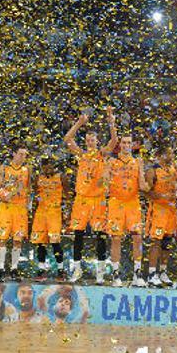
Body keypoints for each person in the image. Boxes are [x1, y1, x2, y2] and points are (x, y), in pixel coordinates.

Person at [64, 107, 118, 283]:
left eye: (92, 140)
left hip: (98, 199)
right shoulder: (81, 154)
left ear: (97, 141)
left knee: (100, 235)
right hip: (81, 199)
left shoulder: (102, 154)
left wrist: (111, 121)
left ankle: (100, 273)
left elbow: (115, 140)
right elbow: (67, 139)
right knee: (78, 234)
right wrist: (79, 123)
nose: (90, 142)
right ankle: (77, 270)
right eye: (87, 140)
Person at [103, 135, 148, 287]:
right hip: (116, 203)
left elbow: (142, 184)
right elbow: (104, 181)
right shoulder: (111, 161)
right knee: (116, 238)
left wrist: (151, 188)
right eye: (124, 142)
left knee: (137, 238)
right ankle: (116, 274)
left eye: (129, 142)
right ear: (119, 145)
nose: (126, 145)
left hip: (133, 203)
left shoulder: (138, 161)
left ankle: (138, 273)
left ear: (132, 145)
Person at [0, 143, 31, 281]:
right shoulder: (4, 168)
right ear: (14, 154)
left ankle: (14, 269)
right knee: (2, 238)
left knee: (18, 240)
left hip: (20, 209)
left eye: (25, 155)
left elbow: (29, 188)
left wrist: (28, 202)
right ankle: (1, 268)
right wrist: (6, 195)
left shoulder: (27, 169)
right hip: (6, 207)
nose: (23, 157)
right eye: (21, 154)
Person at [146, 147, 177, 287]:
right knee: (156, 241)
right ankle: (152, 274)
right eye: (169, 152)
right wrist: (159, 196)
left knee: (167, 242)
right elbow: (146, 190)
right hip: (158, 210)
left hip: (171, 210)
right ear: (161, 154)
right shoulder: (152, 170)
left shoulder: (173, 168)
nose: (171, 155)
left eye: (171, 152)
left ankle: (163, 272)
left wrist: (176, 192)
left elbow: (176, 186)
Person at [30, 157, 66, 280]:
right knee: (40, 242)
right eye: (45, 167)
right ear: (42, 168)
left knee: (55, 242)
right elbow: (35, 196)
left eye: (50, 166)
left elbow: (68, 195)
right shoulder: (38, 178)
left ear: (54, 166)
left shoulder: (61, 177)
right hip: (40, 213)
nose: (47, 169)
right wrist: (33, 214)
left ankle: (61, 270)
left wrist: (66, 214)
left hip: (55, 212)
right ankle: (41, 270)